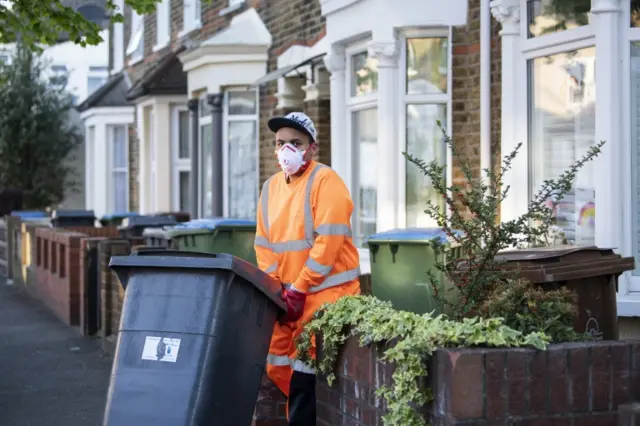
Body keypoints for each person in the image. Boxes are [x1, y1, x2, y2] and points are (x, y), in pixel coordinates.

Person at [255, 112, 361, 425]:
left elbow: (327, 243)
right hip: (288, 300)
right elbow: (264, 245)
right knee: (278, 363)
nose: (287, 149)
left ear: (311, 148)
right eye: (281, 143)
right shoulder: (270, 188)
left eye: (295, 143)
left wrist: (300, 287)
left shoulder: (326, 181)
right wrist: (277, 290)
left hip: (326, 296)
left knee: (305, 373)